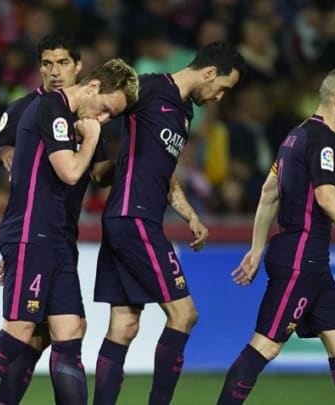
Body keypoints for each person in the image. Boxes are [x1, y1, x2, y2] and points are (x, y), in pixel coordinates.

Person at [0, 58, 139, 405]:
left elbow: (93, 175)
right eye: (106, 110)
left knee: (70, 332)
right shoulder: (50, 108)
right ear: (94, 87)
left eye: (111, 117)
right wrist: (94, 137)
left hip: (57, 240)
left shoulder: (70, 117)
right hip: (32, 235)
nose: (103, 119)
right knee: (18, 333)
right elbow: (69, 172)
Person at [216, 67, 335, 405]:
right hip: (300, 259)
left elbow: (269, 192)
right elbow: (327, 198)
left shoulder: (294, 136)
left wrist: (256, 250)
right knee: (264, 346)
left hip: (310, 263)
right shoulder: (323, 139)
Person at [92, 41, 245, 405]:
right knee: (185, 314)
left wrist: (190, 213)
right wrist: (98, 163)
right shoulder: (147, 87)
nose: (220, 97)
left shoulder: (185, 113)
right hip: (134, 218)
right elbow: (92, 108)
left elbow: (165, 174)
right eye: (222, 88)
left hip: (130, 219)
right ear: (209, 73)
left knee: (125, 326)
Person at [0, 34, 83, 176]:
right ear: (40, 68)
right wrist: (2, 150)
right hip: (31, 197)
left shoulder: (89, 108)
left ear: (78, 65)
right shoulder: (23, 107)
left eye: (63, 63)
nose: (54, 72)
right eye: (47, 64)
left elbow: (99, 172)